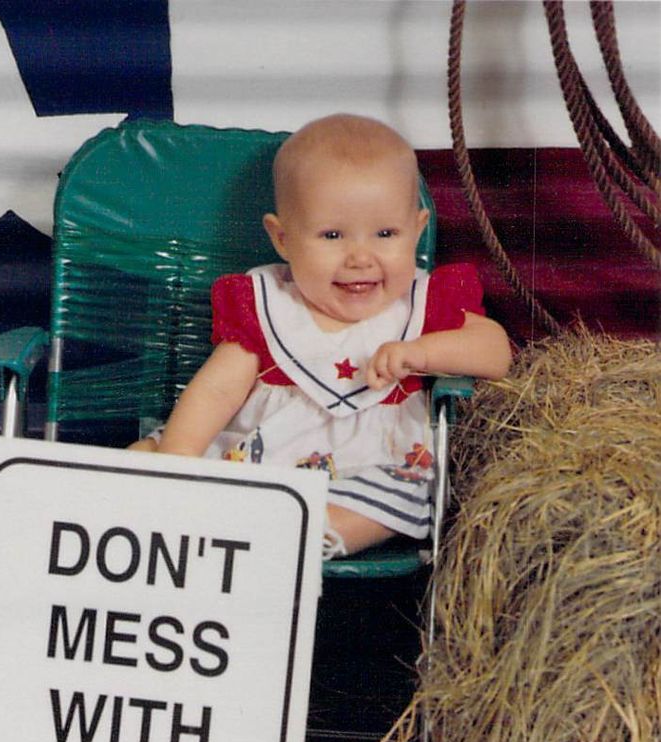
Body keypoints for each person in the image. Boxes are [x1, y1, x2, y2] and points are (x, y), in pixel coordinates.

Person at [131, 114, 512, 557]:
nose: (360, 257)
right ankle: (175, 493)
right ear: (283, 238)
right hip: (260, 455)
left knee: (407, 495)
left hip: (370, 465)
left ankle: (300, 540)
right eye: (332, 235)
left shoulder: (422, 305)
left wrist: (422, 352)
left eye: (386, 233)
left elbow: (495, 352)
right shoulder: (268, 305)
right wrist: (179, 455)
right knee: (158, 452)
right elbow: (217, 390)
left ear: (418, 228)